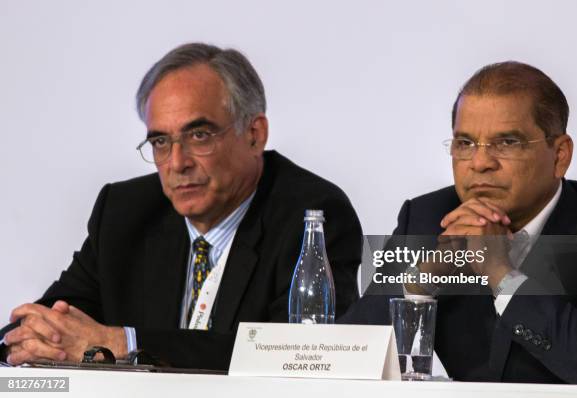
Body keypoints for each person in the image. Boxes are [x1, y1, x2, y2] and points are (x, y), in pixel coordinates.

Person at [0, 43, 363, 370]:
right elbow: (52, 321)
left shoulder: (312, 215)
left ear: (255, 135)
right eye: (160, 141)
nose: (176, 162)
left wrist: (123, 343)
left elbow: (298, 355)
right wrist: (30, 336)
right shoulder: (124, 213)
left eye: (199, 135)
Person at [342, 61, 577, 384]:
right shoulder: (428, 218)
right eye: (465, 144)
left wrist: (501, 274)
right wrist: (420, 282)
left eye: (507, 143)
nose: (481, 163)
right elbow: (349, 354)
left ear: (560, 156)